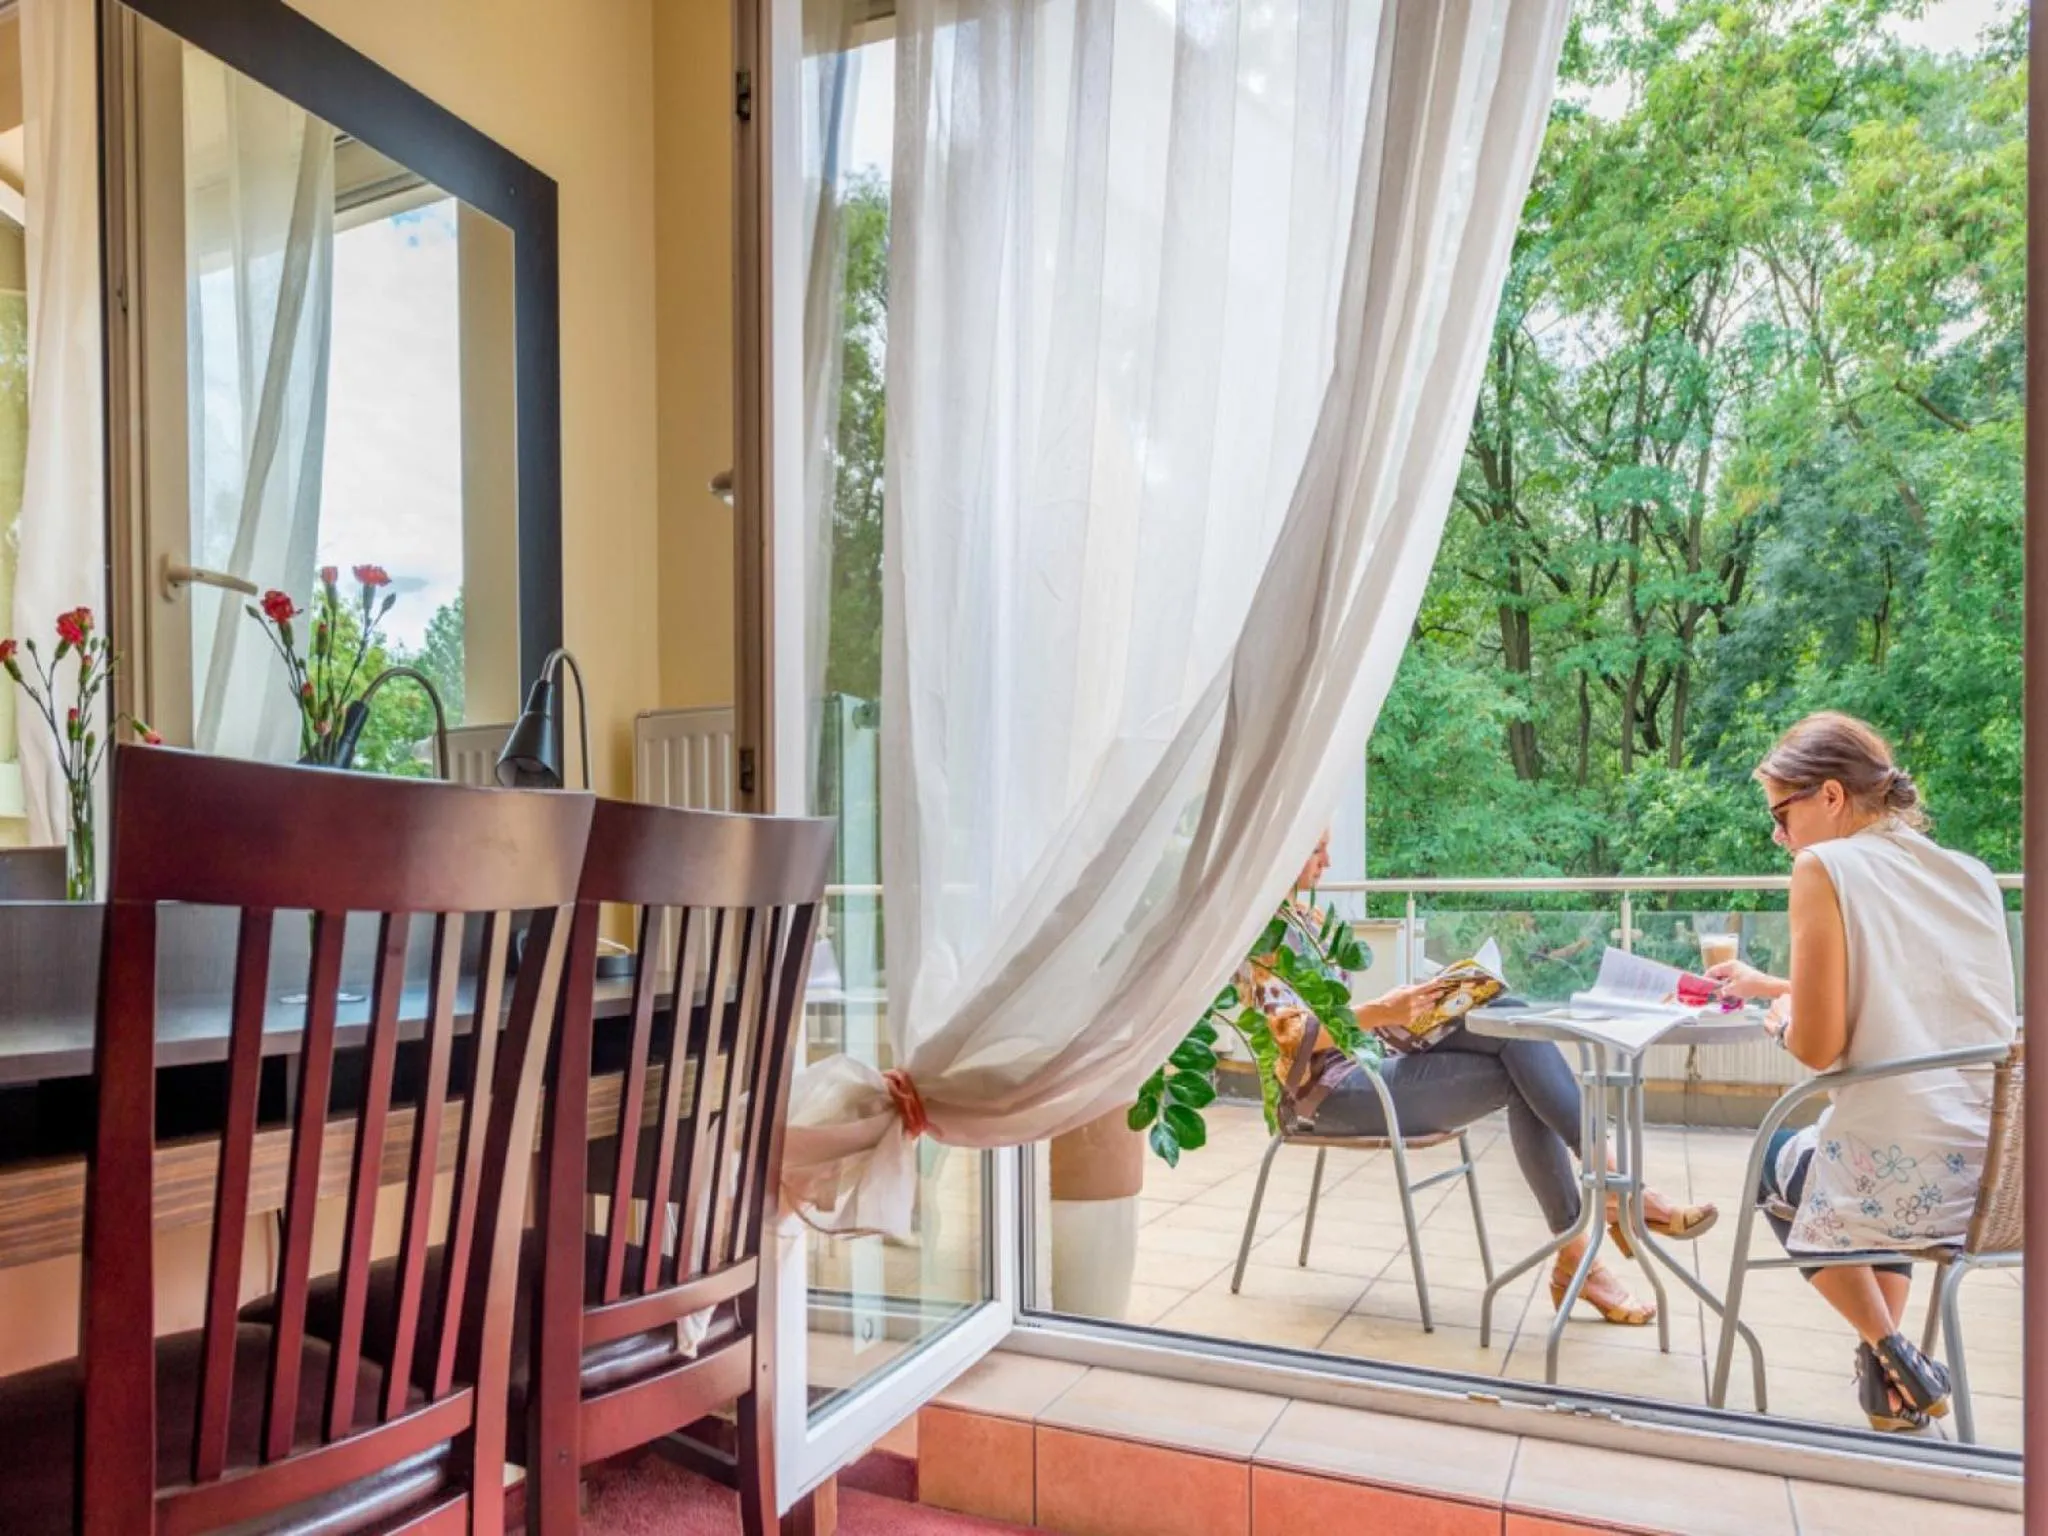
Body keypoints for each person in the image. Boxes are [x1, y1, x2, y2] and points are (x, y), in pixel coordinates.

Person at [1245, 833, 1716, 1328]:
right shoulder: (1258, 933)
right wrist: (1383, 1010)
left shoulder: (1313, 921)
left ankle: (1590, 1234)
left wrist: (1407, 1008)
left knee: (1506, 1015)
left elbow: (1339, 1016)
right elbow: (1290, 1034)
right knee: (1520, 1066)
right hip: (1324, 1097)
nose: (1328, 859)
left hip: (1365, 1063)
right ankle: (1609, 1203)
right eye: (1316, 848)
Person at [1707, 712, 2016, 1432]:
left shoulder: (1825, 868)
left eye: (1782, 815)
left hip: (1889, 1180)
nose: (1780, 837)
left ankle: (1889, 1347)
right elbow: (1907, 1002)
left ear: (1832, 797)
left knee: (1779, 1163)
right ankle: (1889, 1383)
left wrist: (1784, 1022)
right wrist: (1773, 986)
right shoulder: (1969, 874)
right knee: (1854, 1161)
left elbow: (1819, 1049)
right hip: (1988, 1177)